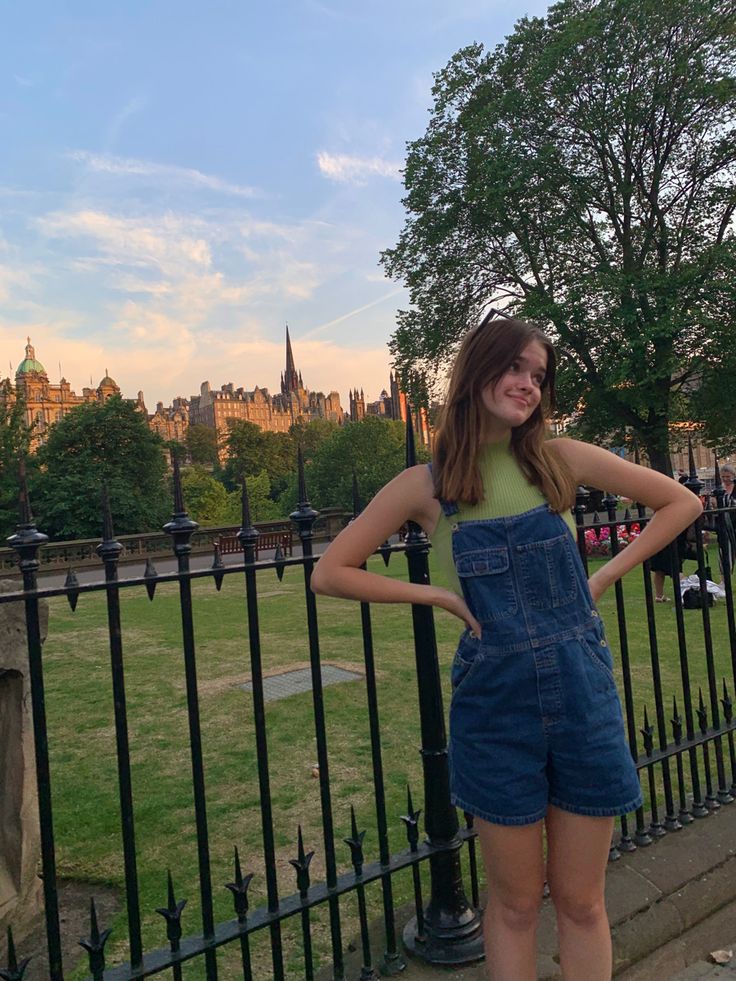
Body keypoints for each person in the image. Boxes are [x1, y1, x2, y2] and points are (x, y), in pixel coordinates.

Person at [310, 314, 701, 981]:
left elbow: (680, 503)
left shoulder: (561, 458)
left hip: (582, 692)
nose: (527, 384)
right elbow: (331, 571)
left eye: (538, 375)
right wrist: (435, 597)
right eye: (515, 367)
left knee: (580, 900)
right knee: (516, 903)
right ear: (478, 369)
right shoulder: (426, 486)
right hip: (495, 708)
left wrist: (601, 576)